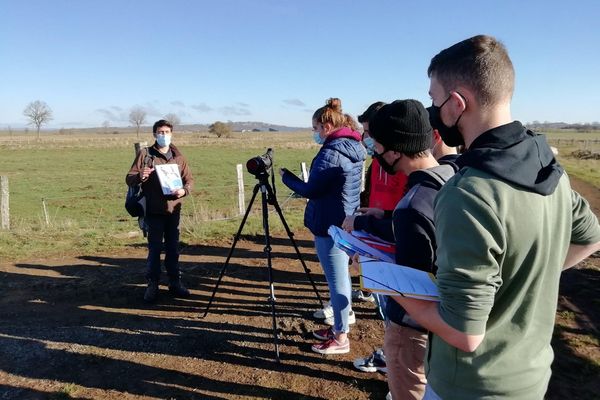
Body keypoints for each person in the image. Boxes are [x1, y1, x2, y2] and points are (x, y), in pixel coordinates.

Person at [390, 35, 600, 400]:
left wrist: (393, 287)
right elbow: (590, 238)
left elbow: (464, 333)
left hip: (469, 385)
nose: (433, 109)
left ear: (456, 104)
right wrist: (533, 274)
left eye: (434, 99)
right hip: (531, 375)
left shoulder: (468, 192)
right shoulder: (550, 170)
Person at [346, 100, 457, 399]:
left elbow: (414, 287)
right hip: (446, 323)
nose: (375, 153)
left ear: (395, 151)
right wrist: (386, 217)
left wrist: (366, 264)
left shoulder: (413, 203)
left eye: (377, 146)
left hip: (412, 328)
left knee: (409, 389)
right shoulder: (451, 177)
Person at [279, 98, 365, 354]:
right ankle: (341, 323)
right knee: (342, 278)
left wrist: (288, 178)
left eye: (316, 128)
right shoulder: (352, 147)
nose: (315, 133)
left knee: (336, 281)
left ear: (327, 126)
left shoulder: (332, 151)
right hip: (343, 218)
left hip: (329, 224)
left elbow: (312, 189)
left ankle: (340, 338)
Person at [126, 119, 195, 303]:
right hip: (153, 211)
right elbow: (129, 178)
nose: (163, 135)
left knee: (173, 249)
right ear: (155, 134)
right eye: (160, 132)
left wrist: (184, 190)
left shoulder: (179, 157)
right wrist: (140, 176)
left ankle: (175, 283)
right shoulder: (145, 154)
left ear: (171, 133)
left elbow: (190, 180)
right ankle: (152, 285)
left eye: (166, 132)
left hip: (173, 211)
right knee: (154, 249)